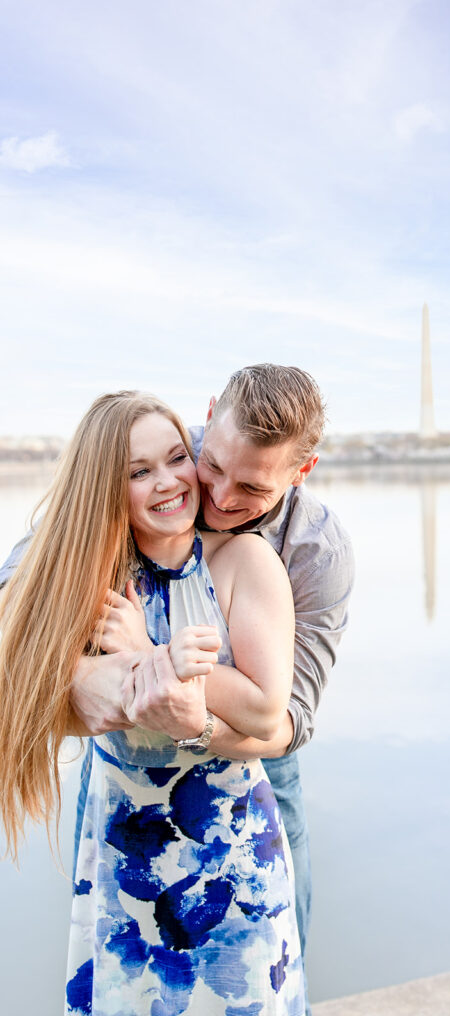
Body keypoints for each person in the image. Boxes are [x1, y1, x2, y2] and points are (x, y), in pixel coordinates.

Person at [0, 364, 355, 1004]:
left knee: (266, 959)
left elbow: (281, 720)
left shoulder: (308, 549)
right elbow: (18, 612)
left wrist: (160, 671)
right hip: (129, 797)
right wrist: (85, 680)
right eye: (209, 464)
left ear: (301, 472)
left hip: (251, 782)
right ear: (210, 414)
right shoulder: (152, 456)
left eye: (249, 486)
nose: (215, 495)